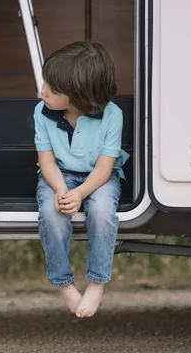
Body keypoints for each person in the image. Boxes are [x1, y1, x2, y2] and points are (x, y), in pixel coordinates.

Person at [33, 41, 129, 318]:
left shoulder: (112, 116)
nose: (43, 91)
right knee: (52, 214)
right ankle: (63, 284)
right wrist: (63, 190)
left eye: (53, 89)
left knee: (101, 212)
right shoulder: (42, 112)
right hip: (58, 175)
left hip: (98, 178)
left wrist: (82, 193)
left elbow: (104, 168)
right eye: (45, 83)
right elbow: (47, 161)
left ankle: (97, 282)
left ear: (80, 96)